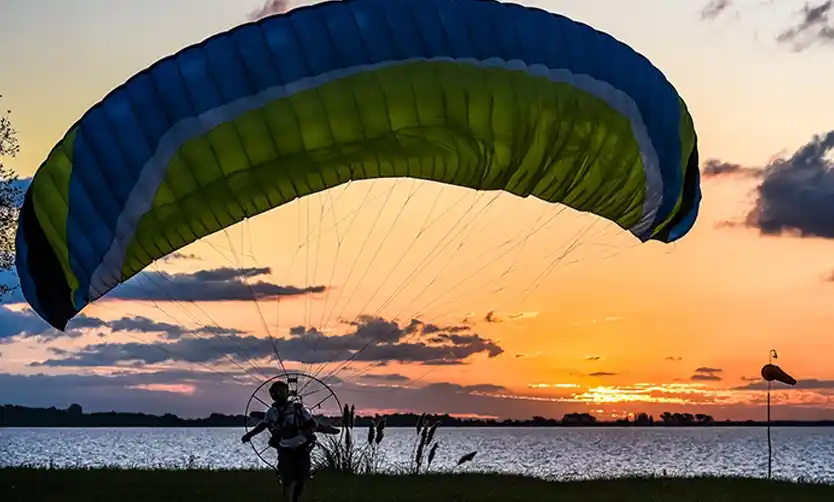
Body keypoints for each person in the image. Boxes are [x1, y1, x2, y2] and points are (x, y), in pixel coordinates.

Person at [242, 380, 317, 502]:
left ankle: (295, 500)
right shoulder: (271, 412)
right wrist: (249, 435)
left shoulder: (298, 408)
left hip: (302, 447)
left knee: (302, 478)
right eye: (278, 391)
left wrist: (304, 430)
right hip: (285, 447)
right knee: (286, 479)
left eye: (283, 391)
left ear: (288, 393)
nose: (281, 394)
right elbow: (263, 425)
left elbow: (312, 424)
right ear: (273, 394)